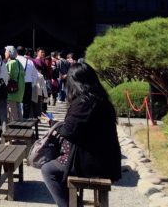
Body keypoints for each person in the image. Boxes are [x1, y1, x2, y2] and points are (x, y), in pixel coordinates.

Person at [41, 63, 122, 207]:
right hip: (107, 159)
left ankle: (72, 205)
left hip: (94, 162)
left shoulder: (83, 102)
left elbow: (69, 132)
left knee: (48, 169)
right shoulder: (101, 100)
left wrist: (54, 124)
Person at [5, 46, 25, 123]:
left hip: (12, 90)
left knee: (12, 109)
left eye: (6, 51)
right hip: (20, 88)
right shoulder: (18, 62)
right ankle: (21, 125)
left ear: (9, 53)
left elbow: (7, 76)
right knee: (18, 108)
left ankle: (15, 127)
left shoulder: (10, 63)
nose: (5, 53)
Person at [18, 47, 39, 119]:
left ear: (16, 52)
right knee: (27, 103)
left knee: (17, 102)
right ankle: (25, 118)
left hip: (17, 84)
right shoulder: (29, 62)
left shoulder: (14, 60)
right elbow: (35, 75)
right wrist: (32, 84)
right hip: (28, 84)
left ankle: (18, 118)